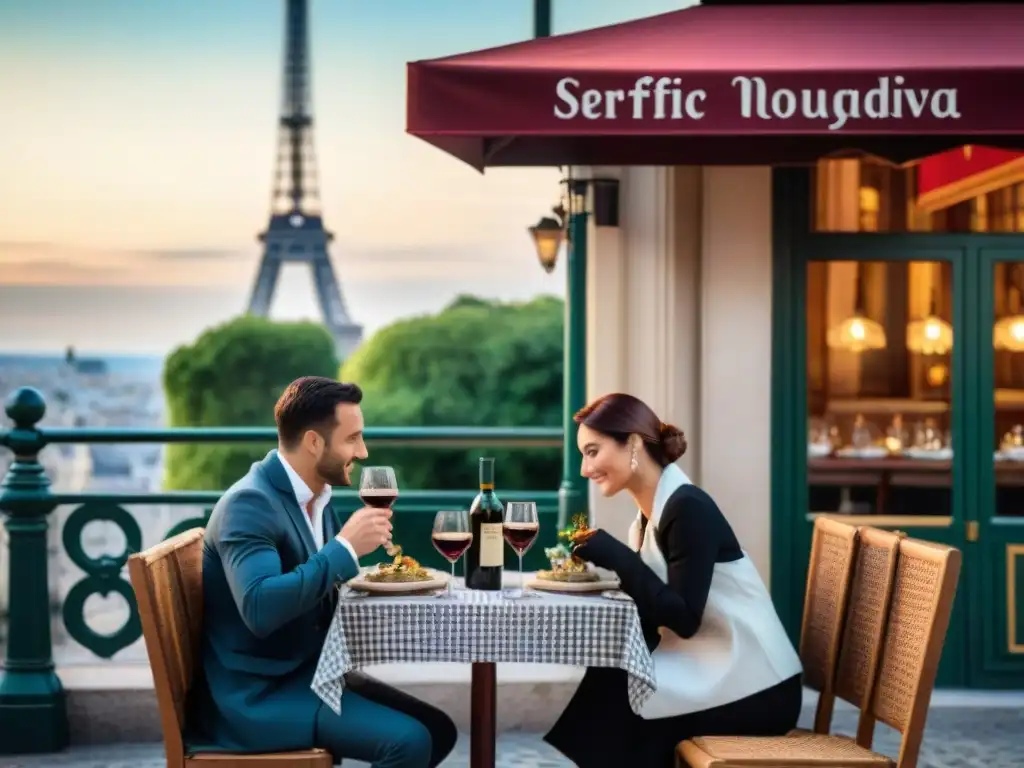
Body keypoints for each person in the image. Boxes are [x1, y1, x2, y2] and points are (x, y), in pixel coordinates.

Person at [189, 376, 458, 768]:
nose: (362, 452)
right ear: (314, 442)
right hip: (260, 697)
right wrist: (345, 548)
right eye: (352, 439)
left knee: (438, 731)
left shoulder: (317, 498)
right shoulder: (249, 503)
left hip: (311, 672)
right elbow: (260, 606)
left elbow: (323, 584)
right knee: (410, 743)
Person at [544, 393, 803, 768]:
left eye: (593, 451)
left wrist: (616, 556)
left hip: (758, 689)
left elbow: (683, 618)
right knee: (612, 676)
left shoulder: (688, 508)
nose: (585, 469)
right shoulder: (651, 514)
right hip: (718, 669)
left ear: (632, 443)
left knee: (623, 710)